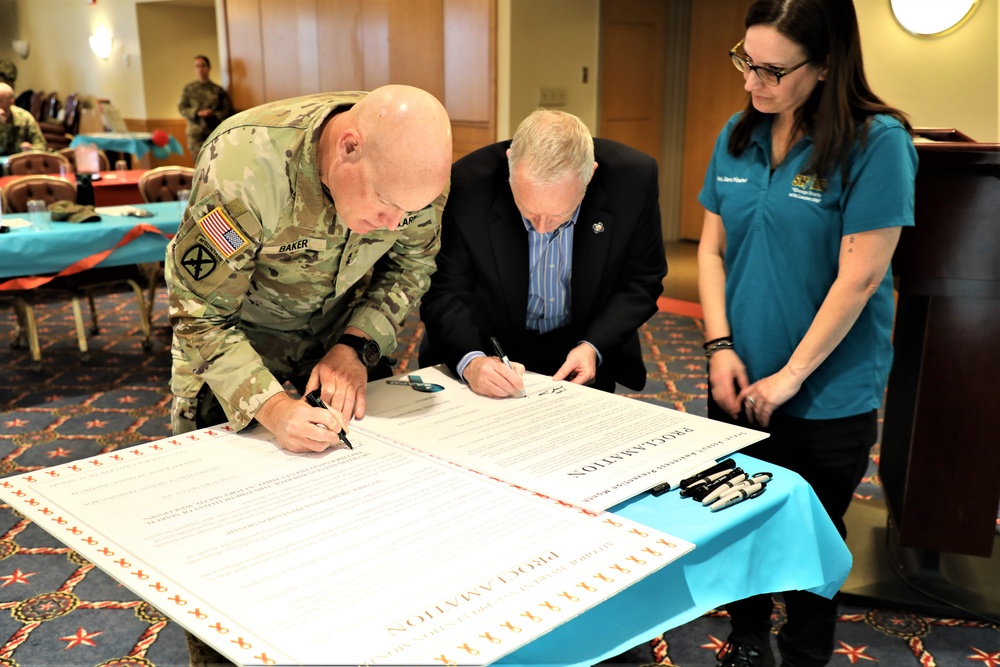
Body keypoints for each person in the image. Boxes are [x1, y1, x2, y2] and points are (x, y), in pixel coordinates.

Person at [696, 1, 917, 666]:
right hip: (738, 378)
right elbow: (711, 250)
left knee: (811, 540)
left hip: (827, 394)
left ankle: (805, 651)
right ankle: (746, 638)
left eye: (771, 70)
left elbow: (860, 277)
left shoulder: (878, 143)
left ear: (824, 67)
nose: (751, 82)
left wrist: (789, 378)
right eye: (744, 60)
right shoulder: (738, 133)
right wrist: (718, 347)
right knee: (740, 523)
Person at [165, 84, 452, 456]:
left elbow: (412, 262)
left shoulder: (415, 174)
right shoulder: (244, 167)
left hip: (338, 327)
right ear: (348, 148)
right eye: (384, 203)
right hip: (239, 335)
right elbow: (200, 314)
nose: (394, 225)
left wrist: (356, 344)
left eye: (408, 213)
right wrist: (274, 409)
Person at [419, 109, 666, 397]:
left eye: (560, 215)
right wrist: (473, 361)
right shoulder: (466, 185)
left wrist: (592, 347)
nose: (542, 229)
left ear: (590, 176)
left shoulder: (633, 180)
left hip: (583, 341)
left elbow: (642, 280)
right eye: (529, 212)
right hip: (490, 346)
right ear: (510, 162)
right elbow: (445, 291)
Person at [177, 54, 233, 158]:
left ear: (209, 67)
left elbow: (227, 110)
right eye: (197, 66)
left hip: (213, 132)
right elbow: (182, 108)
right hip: (195, 133)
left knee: (215, 162)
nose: (200, 69)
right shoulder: (189, 89)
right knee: (200, 162)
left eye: (203, 65)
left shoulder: (218, 90)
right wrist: (197, 113)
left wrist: (213, 114)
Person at [0, 83, 45, 155]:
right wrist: (3, 126)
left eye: (0, 101)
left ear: (12, 102)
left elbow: (41, 146)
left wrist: (31, 150)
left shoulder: (25, 117)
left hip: (18, 163)